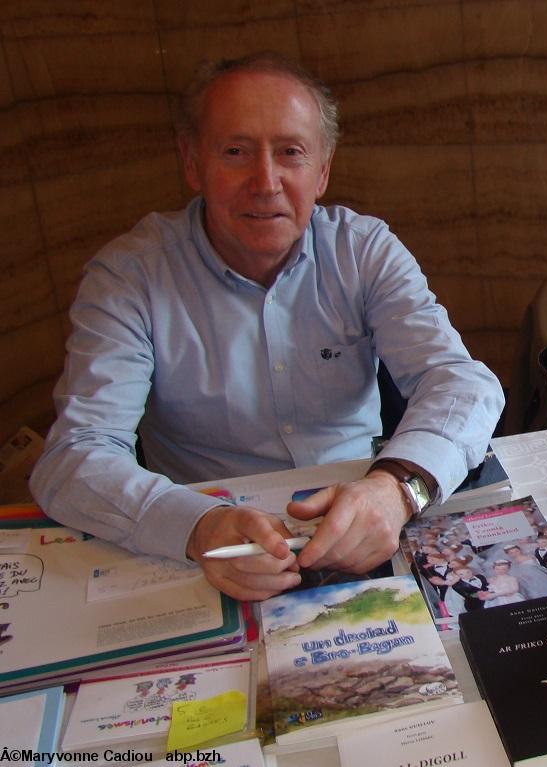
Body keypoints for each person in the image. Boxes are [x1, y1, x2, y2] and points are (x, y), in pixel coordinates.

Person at [29, 52, 504, 603]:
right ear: (192, 162)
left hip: (365, 523)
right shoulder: (130, 276)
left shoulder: (364, 251)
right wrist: (196, 527)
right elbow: (74, 456)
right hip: (210, 555)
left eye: (291, 153)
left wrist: (397, 490)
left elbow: (462, 383)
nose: (265, 181)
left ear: (322, 171)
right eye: (235, 152)